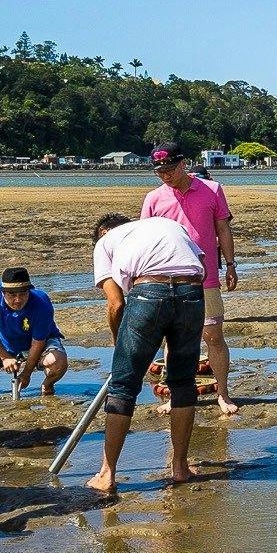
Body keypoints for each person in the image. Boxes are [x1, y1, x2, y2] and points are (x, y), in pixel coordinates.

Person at [87, 209, 210, 493]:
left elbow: (116, 303)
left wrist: (122, 346)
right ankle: (180, 467)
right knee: (182, 382)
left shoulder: (104, 243)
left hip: (148, 291)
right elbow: (200, 260)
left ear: (103, 234)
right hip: (192, 292)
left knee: (123, 385)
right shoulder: (166, 224)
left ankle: (107, 474)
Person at [141, 148, 241, 415]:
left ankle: (223, 393)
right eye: (159, 172)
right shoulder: (153, 198)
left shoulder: (212, 189)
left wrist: (230, 265)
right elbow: (146, 241)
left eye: (170, 170)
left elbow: (223, 228)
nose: (166, 176)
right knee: (172, 341)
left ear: (183, 164)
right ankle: (174, 395)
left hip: (205, 277)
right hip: (167, 279)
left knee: (213, 336)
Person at [0, 266, 69, 395]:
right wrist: (5, 357)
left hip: (40, 344)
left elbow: (38, 342)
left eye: (23, 294)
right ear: (3, 292)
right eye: (12, 295)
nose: (18, 300)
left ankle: (47, 387)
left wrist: (26, 373)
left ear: (29, 291)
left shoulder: (41, 303)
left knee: (58, 363)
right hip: (6, 344)